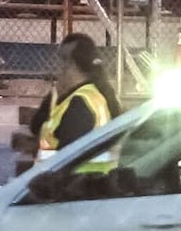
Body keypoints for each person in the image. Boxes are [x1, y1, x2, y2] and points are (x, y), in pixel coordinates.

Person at [27, 32, 122, 162]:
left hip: (78, 180)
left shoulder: (80, 104)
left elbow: (67, 159)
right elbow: (37, 125)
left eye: (60, 62)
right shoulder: (95, 94)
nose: (57, 71)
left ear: (70, 65)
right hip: (94, 179)